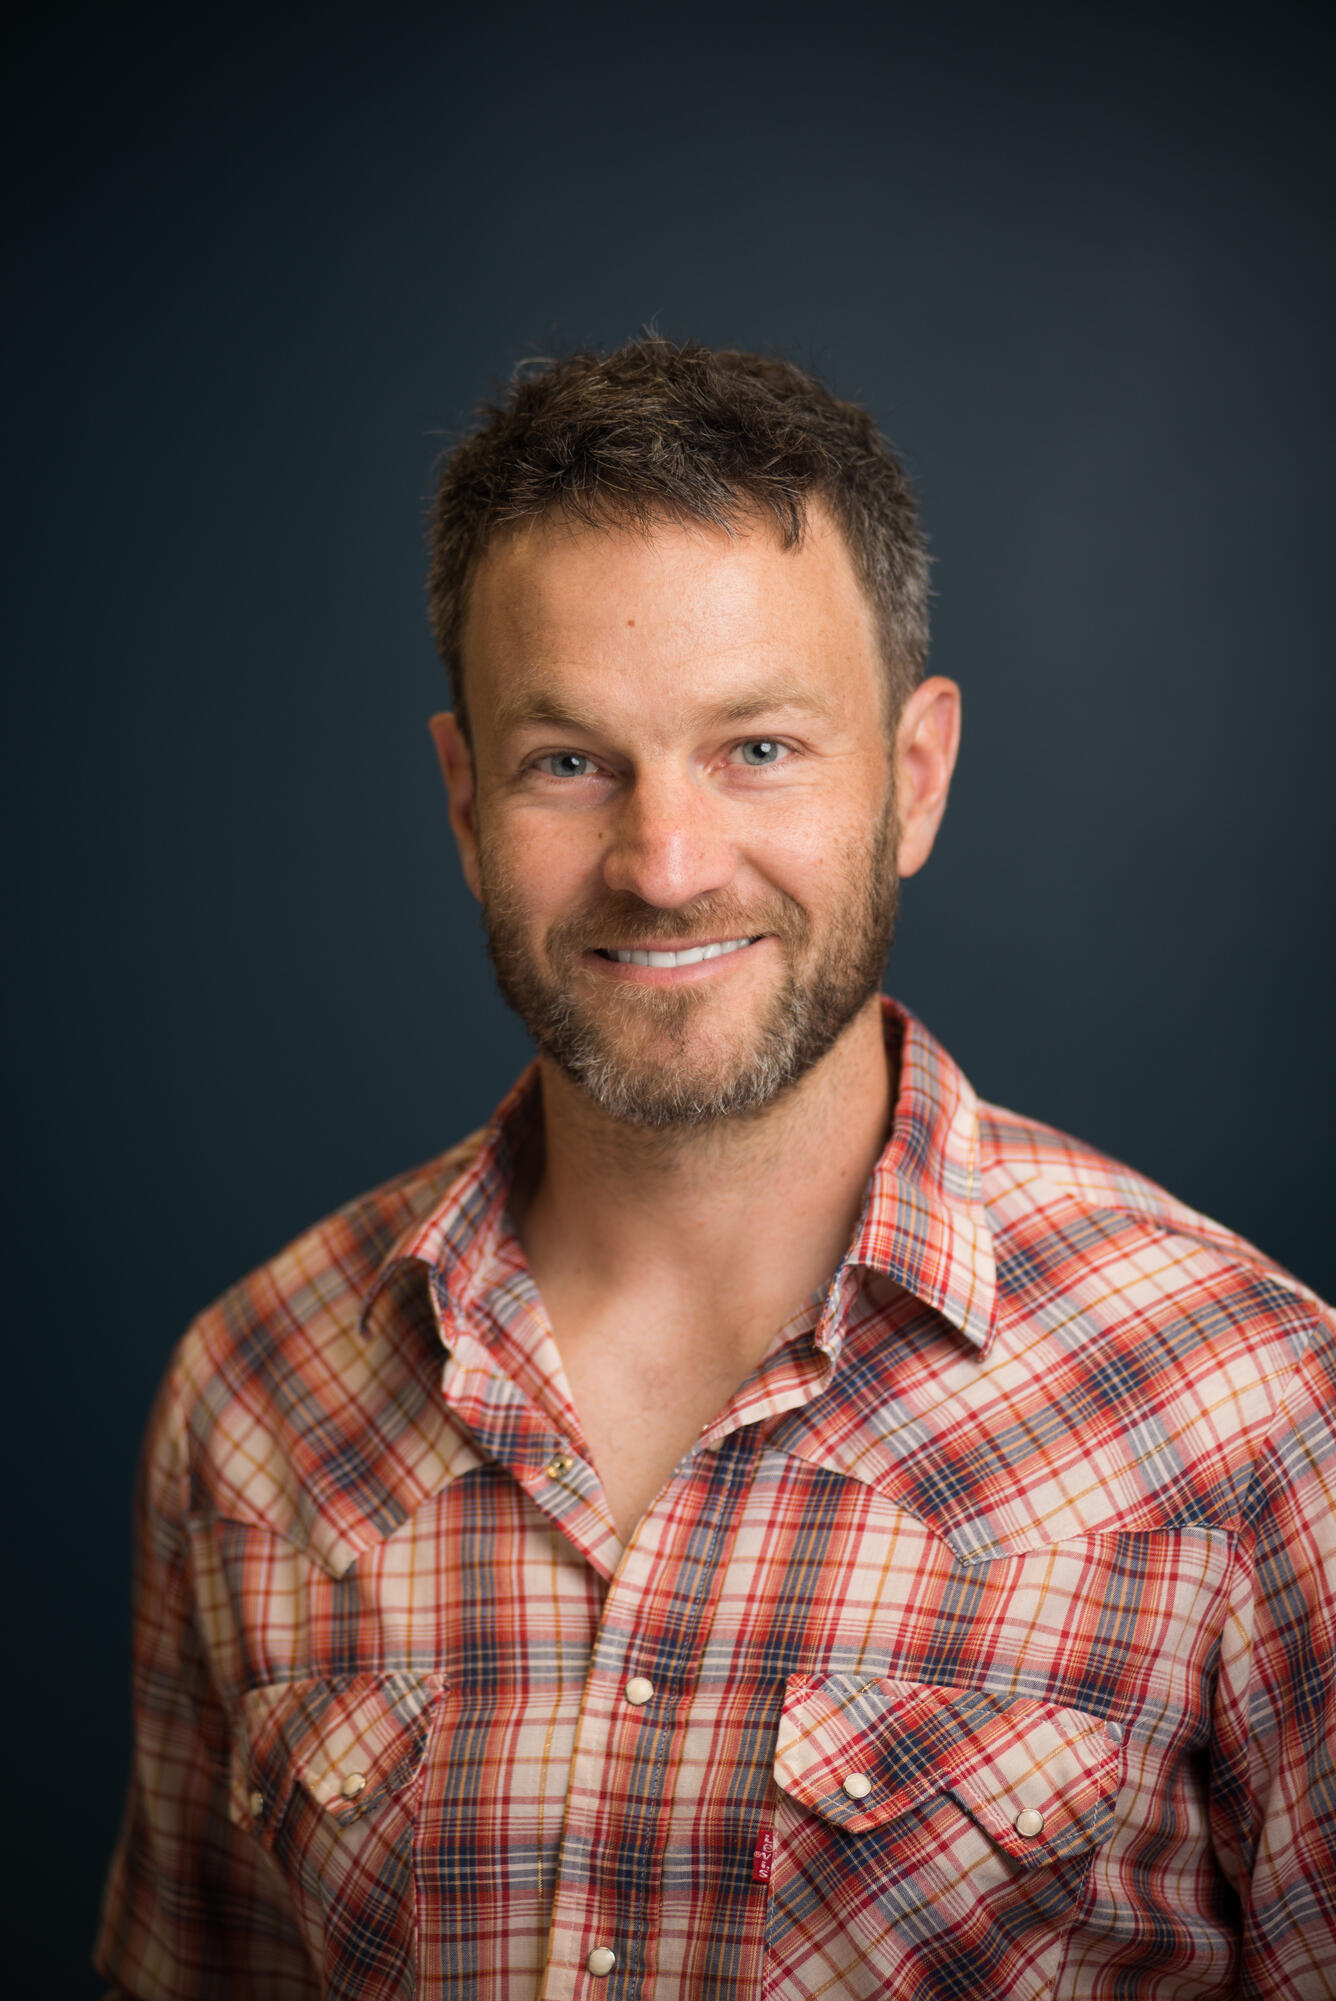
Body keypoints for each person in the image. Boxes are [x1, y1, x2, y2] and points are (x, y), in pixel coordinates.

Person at [95, 337, 1335, 2001]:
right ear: (464, 801)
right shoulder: (251, 1400)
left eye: (758, 747)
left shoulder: (1254, 1412)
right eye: (569, 762)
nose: (664, 865)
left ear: (914, 776)